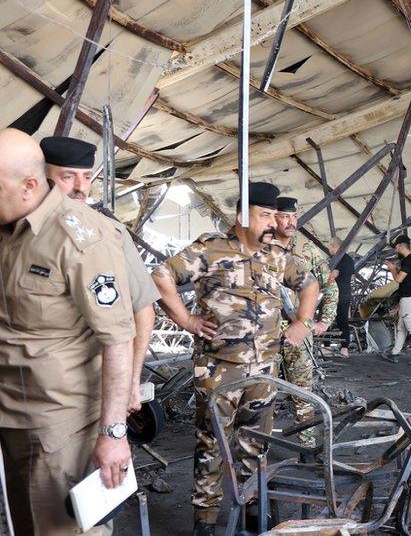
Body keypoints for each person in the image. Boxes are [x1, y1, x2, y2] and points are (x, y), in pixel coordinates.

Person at [152, 182, 320, 535]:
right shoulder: (211, 248)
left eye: (275, 215)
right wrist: (187, 320)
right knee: (212, 444)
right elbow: (161, 276)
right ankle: (206, 522)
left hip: (264, 371)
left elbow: (309, 285)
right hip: (219, 369)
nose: (272, 223)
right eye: (265, 215)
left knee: (256, 445)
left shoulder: (276, 254)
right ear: (243, 217)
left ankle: (253, 512)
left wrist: (302, 323)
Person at [0, 129, 135, 535]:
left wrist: (113, 433)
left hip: (61, 426)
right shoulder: (7, 230)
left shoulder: (82, 239)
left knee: (63, 530)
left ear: (28, 185)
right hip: (12, 418)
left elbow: (118, 338)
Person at [40, 136, 160, 416]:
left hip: (87, 389)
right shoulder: (15, 231)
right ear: (40, 178)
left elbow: (143, 308)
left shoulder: (112, 233)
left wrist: (132, 381)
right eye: (67, 177)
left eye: (87, 177)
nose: (81, 188)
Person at [272, 197, 335, 448]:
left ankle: (307, 448)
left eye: (294, 216)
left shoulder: (307, 251)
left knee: (303, 395)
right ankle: (258, 450)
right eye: (284, 216)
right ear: (272, 218)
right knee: (262, 395)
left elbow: (330, 286)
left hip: (299, 334)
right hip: (267, 336)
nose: (290, 222)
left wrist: (324, 321)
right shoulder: (260, 249)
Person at [380, 234, 411, 365]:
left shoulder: (408, 260)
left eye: (396, 247)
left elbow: (398, 279)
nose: (395, 250)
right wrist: (396, 268)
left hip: (408, 299)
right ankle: (395, 353)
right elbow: (407, 276)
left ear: (402, 246)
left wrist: (392, 269)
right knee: (401, 327)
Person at [328, 235, 355, 358]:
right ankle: (344, 349)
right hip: (346, 292)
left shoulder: (338, 259)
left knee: (327, 318)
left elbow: (333, 275)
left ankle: (327, 347)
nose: (329, 249)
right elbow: (352, 277)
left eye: (329, 246)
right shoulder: (349, 259)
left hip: (336, 293)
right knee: (343, 320)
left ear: (334, 245)